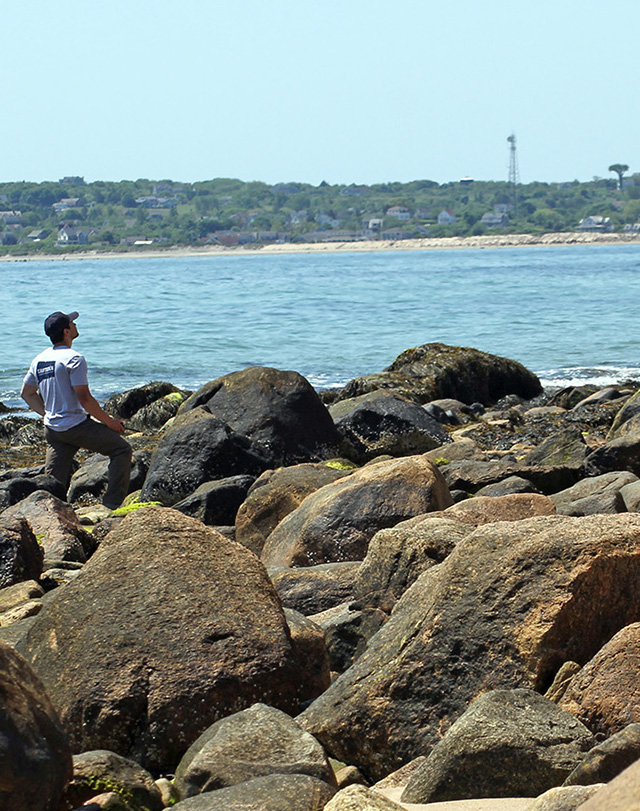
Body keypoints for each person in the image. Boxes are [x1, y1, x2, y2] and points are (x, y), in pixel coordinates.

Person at [21, 310, 132, 510]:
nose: (75, 325)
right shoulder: (74, 358)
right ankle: (113, 504)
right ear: (66, 331)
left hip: (53, 431)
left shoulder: (39, 359)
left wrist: (47, 414)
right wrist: (109, 422)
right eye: (72, 324)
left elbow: (27, 393)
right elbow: (85, 398)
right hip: (76, 427)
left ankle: (50, 514)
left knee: (54, 482)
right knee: (122, 449)